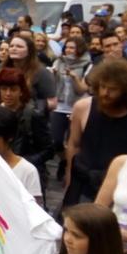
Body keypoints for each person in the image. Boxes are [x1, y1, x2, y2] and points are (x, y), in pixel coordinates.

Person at [65, 60, 127, 205]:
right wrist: (69, 176)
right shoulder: (83, 107)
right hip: (82, 183)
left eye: (113, 89)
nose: (105, 93)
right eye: (102, 87)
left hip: (120, 188)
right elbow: (74, 144)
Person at [0, 68, 53, 191]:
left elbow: (48, 149)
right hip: (0, 170)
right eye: (4, 89)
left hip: (26, 174)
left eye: (13, 89)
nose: (8, 94)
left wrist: (24, 162)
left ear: (21, 91)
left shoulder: (32, 115)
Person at [50, 36, 91, 174]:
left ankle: (70, 169)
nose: (69, 50)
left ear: (79, 49)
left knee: (72, 142)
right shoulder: (59, 61)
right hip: (60, 106)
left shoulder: (87, 64)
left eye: (72, 47)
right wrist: (53, 75)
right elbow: (52, 86)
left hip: (76, 107)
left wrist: (74, 77)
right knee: (55, 140)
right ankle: (64, 160)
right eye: (67, 47)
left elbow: (82, 89)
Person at [0, 35, 57, 116]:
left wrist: (25, 107)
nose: (14, 48)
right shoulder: (1, 67)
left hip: (30, 120)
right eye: (11, 46)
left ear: (29, 51)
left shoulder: (41, 72)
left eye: (19, 46)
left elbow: (53, 102)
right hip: (2, 116)